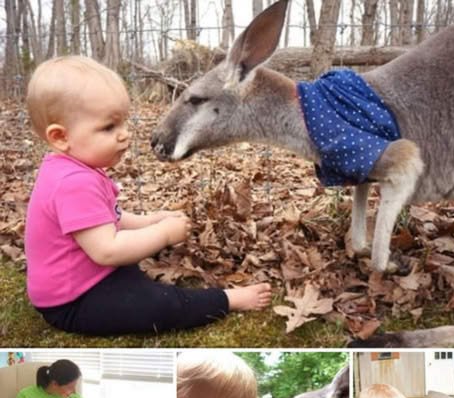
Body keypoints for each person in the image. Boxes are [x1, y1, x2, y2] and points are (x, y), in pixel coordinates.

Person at [24, 55, 272, 336]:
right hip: (72, 301)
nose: (124, 135)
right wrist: (164, 234)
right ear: (60, 137)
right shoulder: (73, 182)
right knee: (160, 305)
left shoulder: (72, 168)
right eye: (108, 127)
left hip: (88, 278)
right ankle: (226, 300)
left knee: (133, 270)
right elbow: (107, 250)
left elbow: (108, 219)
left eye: (123, 123)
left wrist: (152, 220)